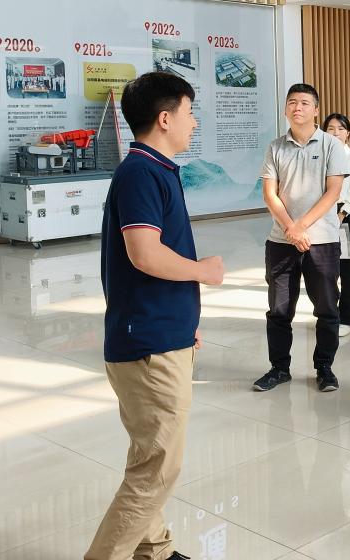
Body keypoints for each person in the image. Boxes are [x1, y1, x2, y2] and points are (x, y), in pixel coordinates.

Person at [86, 72, 224, 560]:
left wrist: (183, 323)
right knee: (158, 469)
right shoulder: (141, 173)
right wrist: (204, 272)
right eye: (189, 112)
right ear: (165, 119)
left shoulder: (154, 169)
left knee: (150, 455)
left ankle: (154, 551)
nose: (194, 122)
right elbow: (144, 254)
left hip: (160, 333)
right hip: (148, 346)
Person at [253, 84, 350, 394]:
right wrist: (290, 229)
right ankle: (279, 368)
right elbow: (269, 194)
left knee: (327, 308)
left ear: (316, 110)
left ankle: (325, 368)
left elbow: (333, 192)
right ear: (285, 109)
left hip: (322, 241)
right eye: (292, 102)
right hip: (281, 242)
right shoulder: (275, 147)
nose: (298, 107)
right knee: (279, 310)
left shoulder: (332, 145)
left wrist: (301, 227)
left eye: (305, 103)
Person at [322, 113, 350, 338]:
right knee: (323, 268)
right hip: (321, 214)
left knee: (344, 268)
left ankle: (347, 318)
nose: (336, 133)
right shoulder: (321, 156)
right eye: (331, 129)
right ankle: (329, 314)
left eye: (340, 129)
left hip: (343, 216)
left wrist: (340, 215)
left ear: (348, 133)